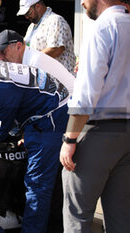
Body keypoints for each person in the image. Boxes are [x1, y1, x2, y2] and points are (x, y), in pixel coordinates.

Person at [0, 62, 69, 233]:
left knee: (37, 185)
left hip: (50, 119)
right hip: (49, 109)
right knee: (45, 180)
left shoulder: (0, 88)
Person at [0, 28, 75, 232]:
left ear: (19, 46)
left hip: (67, 119)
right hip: (63, 119)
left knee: (39, 186)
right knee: (50, 185)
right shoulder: (25, 62)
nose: (1, 58)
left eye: (3, 52)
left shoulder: (34, 63)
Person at [59, 1, 130, 232]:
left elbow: (85, 96)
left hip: (98, 131)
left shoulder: (101, 28)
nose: (82, 2)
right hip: (125, 134)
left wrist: (69, 140)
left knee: (77, 216)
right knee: (121, 217)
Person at [17, 0, 76, 74]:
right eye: (24, 14)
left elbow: (56, 49)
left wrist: (31, 59)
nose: (26, 17)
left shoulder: (55, 20)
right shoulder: (31, 27)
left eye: (28, 13)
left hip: (60, 81)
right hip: (44, 80)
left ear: (38, 6)